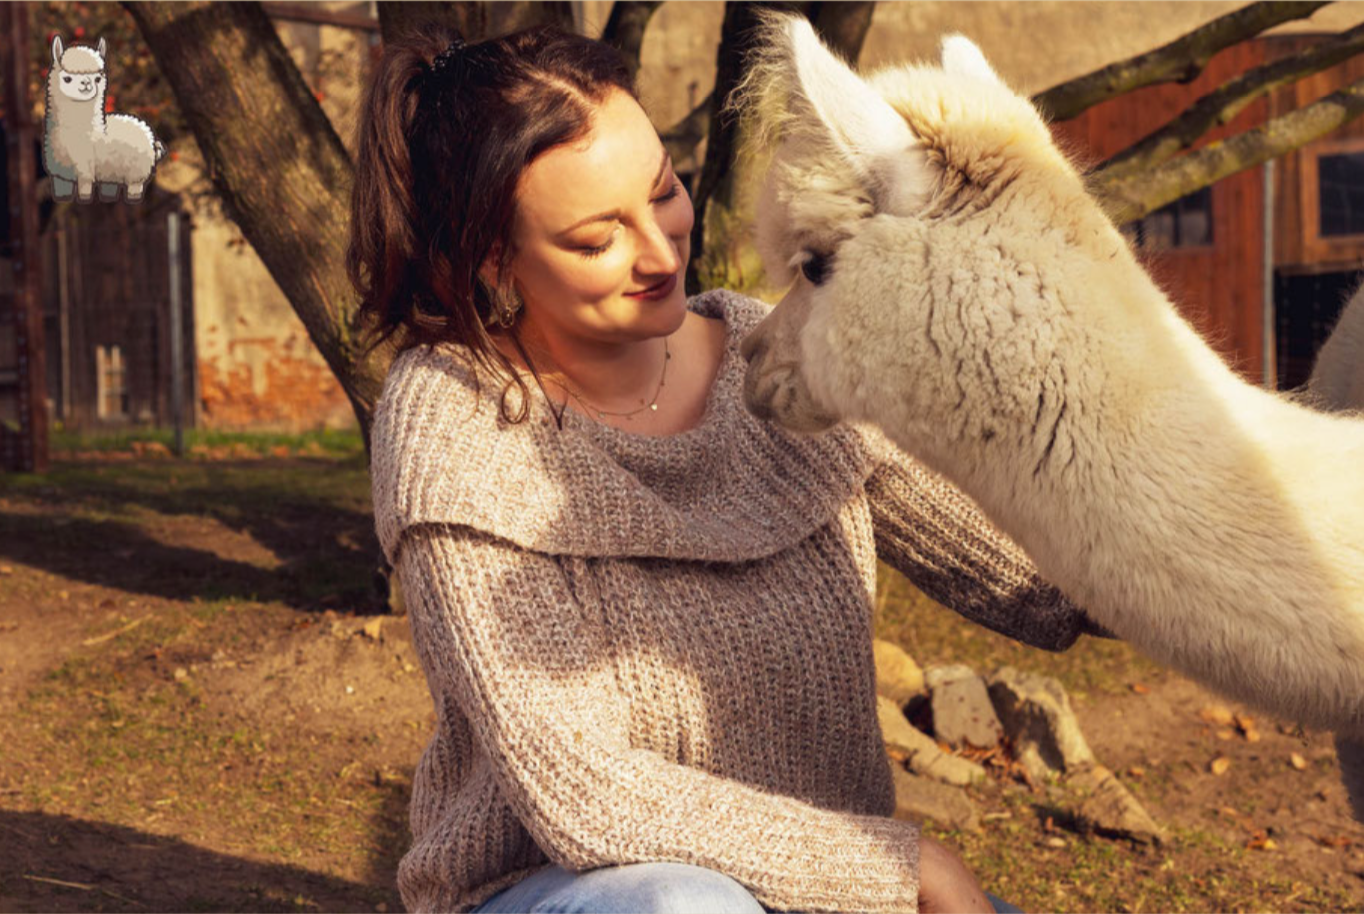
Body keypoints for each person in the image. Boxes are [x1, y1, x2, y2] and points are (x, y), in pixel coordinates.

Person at [348, 21, 1106, 914]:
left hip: (823, 889)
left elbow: (1046, 575)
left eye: (663, 190)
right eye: (598, 241)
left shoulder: (777, 356)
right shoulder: (457, 423)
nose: (663, 250)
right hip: (573, 890)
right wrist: (905, 867)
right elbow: (591, 799)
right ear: (491, 260)